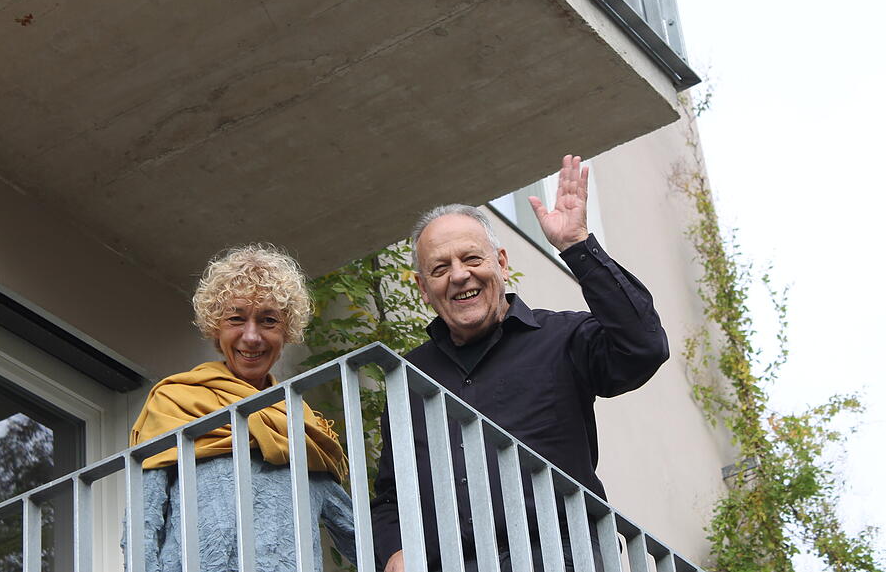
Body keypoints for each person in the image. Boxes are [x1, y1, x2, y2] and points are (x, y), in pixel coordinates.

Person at [371, 155, 669, 572]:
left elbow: (644, 347)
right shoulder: (409, 378)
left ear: (502, 263)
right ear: (423, 289)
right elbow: (391, 496)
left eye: (472, 259)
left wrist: (577, 246)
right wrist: (394, 553)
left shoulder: (562, 337)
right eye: (440, 268)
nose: (459, 276)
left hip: (559, 560)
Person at [125, 244, 357, 572]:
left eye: (268, 321)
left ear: (286, 331)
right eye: (236, 318)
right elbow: (143, 520)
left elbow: (352, 529)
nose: (251, 336)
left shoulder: (304, 428)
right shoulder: (175, 402)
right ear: (215, 328)